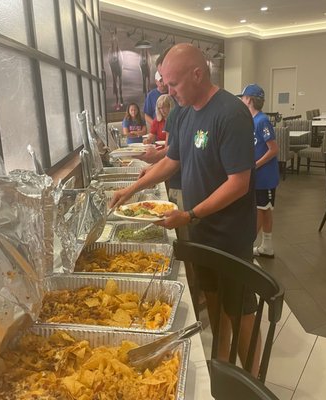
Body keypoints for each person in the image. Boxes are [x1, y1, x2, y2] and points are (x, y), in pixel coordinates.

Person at [111, 43, 259, 370]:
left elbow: (239, 184)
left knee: (240, 309)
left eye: (173, 83)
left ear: (197, 74)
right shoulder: (182, 112)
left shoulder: (230, 113)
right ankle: (221, 366)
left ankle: (251, 381)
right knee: (216, 302)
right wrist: (131, 188)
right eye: (165, 83)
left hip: (230, 235)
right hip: (201, 229)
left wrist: (189, 215)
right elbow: (171, 161)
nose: (167, 91)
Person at [238, 84, 279, 258]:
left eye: (243, 97)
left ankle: (248, 245)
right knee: (265, 209)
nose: (241, 100)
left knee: (260, 210)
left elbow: (273, 149)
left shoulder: (262, 121)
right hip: (259, 175)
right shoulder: (251, 120)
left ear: (249, 100)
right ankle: (267, 247)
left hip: (265, 176)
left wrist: (256, 164)